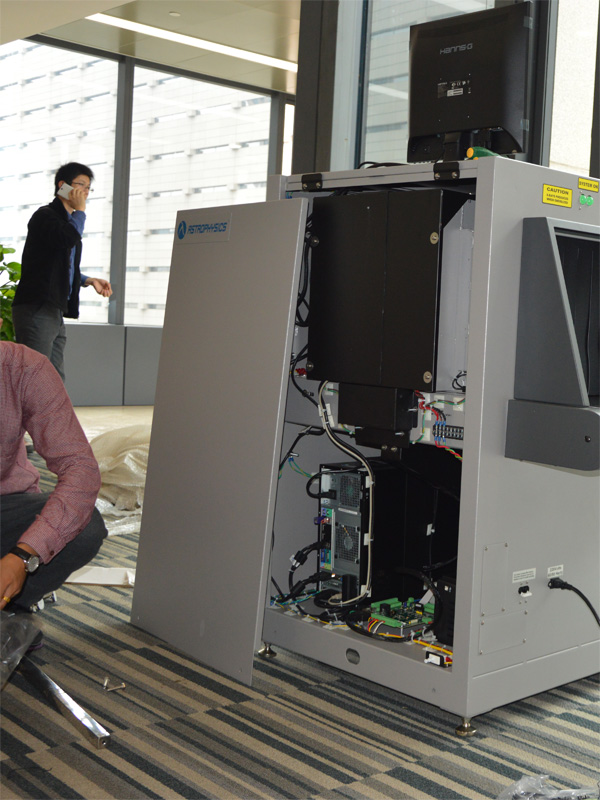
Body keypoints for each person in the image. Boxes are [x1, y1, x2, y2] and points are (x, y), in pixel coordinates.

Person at [0, 340, 107, 616]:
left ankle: (12, 603)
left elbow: (80, 468)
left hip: (6, 507)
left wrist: (24, 555)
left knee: (85, 527)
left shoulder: (25, 369)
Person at [12, 162, 113, 382]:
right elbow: (67, 238)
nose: (85, 192)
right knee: (33, 377)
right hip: (37, 306)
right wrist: (81, 212)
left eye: (88, 187)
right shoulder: (45, 216)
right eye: (81, 185)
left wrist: (87, 280)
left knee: (54, 379)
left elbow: (59, 266)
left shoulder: (67, 223)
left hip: (54, 308)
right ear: (62, 185)